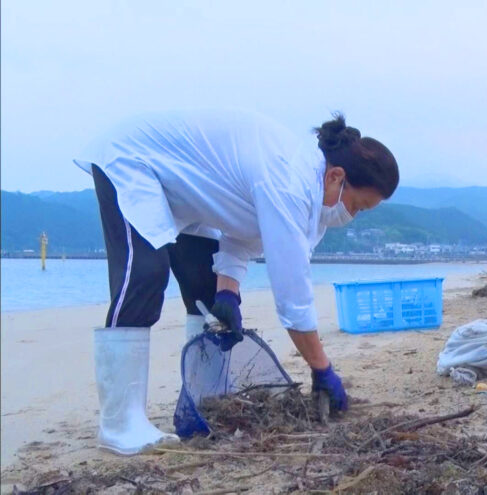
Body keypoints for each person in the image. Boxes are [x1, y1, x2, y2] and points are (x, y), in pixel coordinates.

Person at [73, 110, 398, 455]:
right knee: (145, 273)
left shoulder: (305, 193)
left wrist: (227, 292)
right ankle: (120, 423)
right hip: (133, 161)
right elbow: (293, 299)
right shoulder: (290, 181)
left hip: (186, 194)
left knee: (204, 286)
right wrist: (322, 369)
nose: (352, 215)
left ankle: (205, 399)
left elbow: (244, 232)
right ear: (337, 176)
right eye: (358, 205)